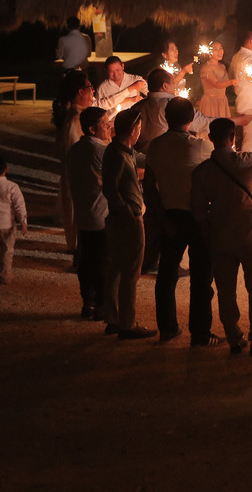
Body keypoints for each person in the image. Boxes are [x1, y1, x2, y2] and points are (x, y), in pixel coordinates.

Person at [190, 118, 252, 356]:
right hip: (251, 233)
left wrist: (210, 237)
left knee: (226, 290)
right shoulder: (245, 162)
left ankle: (234, 338)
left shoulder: (202, 172)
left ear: (210, 138)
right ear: (233, 138)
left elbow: (198, 213)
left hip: (221, 236)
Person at [144, 97, 222, 346]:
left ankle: (167, 328)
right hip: (198, 217)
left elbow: (149, 187)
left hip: (169, 215)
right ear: (191, 119)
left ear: (167, 118)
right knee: (201, 276)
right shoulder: (202, 147)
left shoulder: (155, 146)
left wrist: (161, 217)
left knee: (167, 274)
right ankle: (200, 333)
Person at [100, 108, 156, 340]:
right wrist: (126, 212)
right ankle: (127, 324)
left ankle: (113, 318)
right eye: (139, 129)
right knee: (131, 272)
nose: (140, 132)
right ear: (133, 130)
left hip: (122, 216)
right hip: (128, 218)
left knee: (116, 268)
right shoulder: (117, 155)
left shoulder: (122, 150)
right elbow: (110, 187)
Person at [65, 107, 112, 318]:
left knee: (87, 260)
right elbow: (120, 174)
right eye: (105, 123)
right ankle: (102, 304)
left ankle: (89, 302)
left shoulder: (75, 149)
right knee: (103, 261)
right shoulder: (100, 151)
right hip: (101, 215)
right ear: (92, 129)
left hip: (83, 215)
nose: (109, 126)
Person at [53, 70, 97, 260]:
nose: (93, 91)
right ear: (81, 91)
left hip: (80, 177)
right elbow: (76, 152)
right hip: (79, 178)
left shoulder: (79, 115)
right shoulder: (75, 119)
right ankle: (81, 255)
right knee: (79, 216)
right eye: (90, 87)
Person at [0, 154, 28, 286]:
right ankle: (4, 275)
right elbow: (19, 205)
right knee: (7, 251)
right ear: (6, 169)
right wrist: (23, 222)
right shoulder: (12, 187)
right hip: (8, 225)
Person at [198, 40, 237, 120]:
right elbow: (216, 84)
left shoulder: (222, 66)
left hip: (222, 101)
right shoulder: (206, 68)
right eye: (215, 49)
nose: (220, 51)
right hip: (210, 102)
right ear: (209, 52)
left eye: (221, 48)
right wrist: (231, 82)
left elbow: (225, 82)